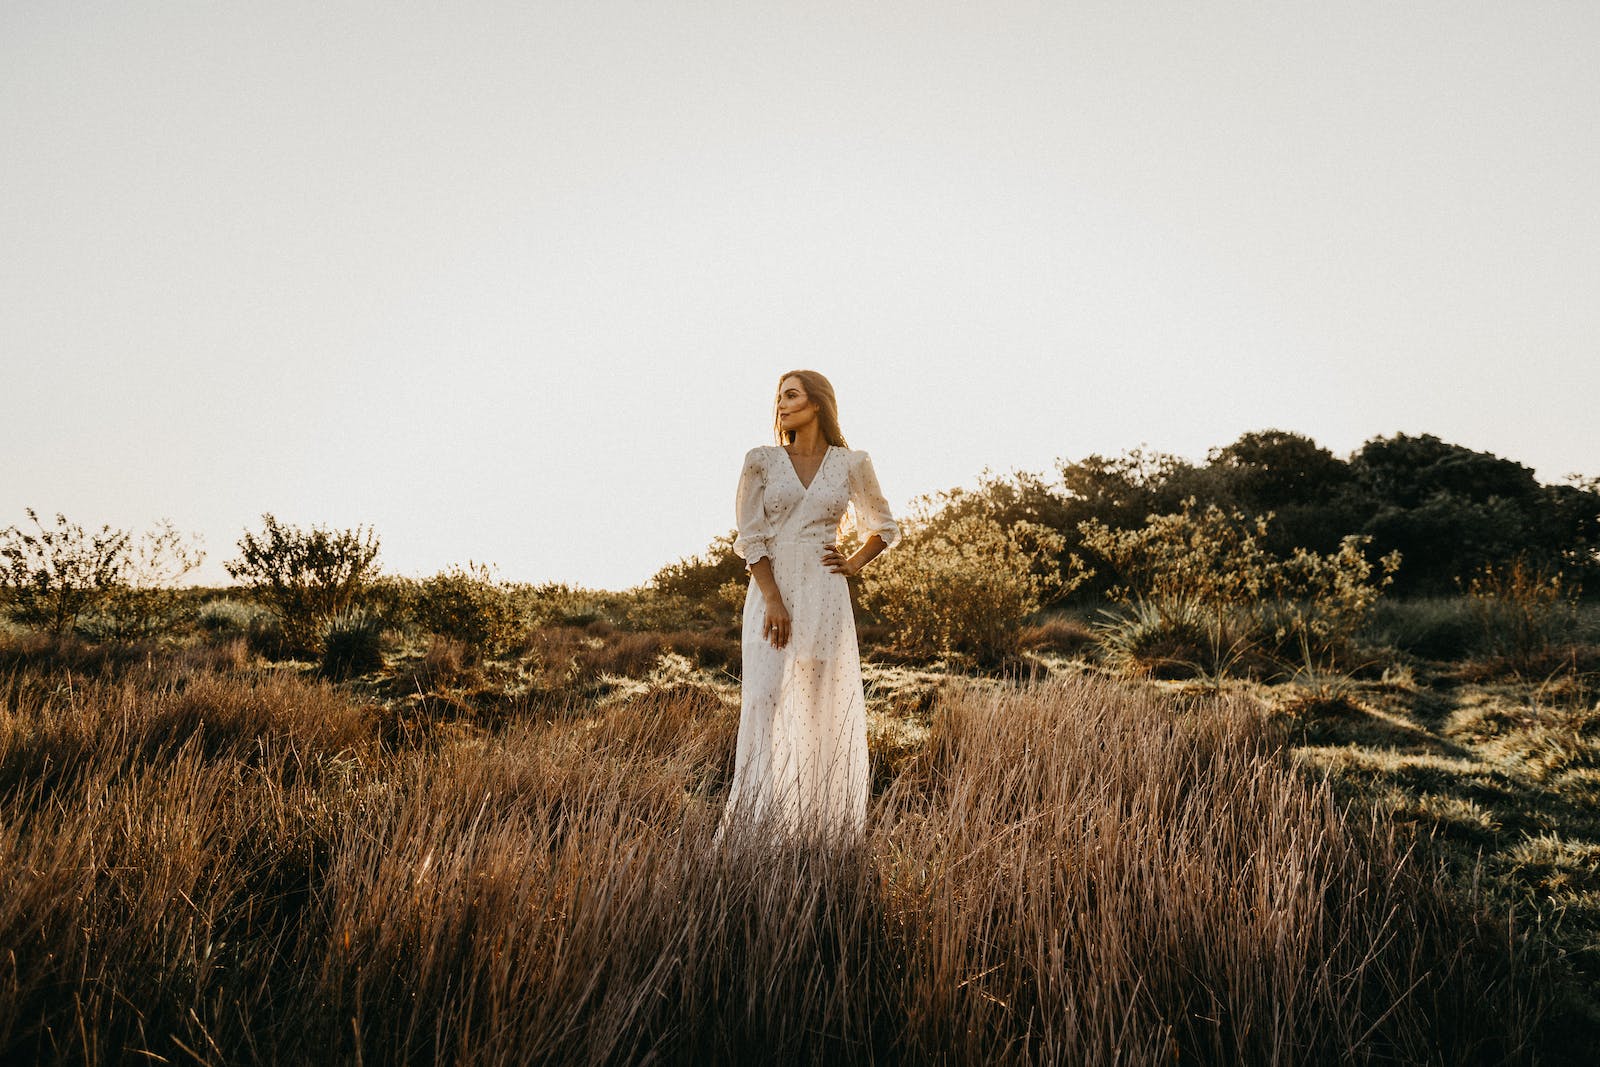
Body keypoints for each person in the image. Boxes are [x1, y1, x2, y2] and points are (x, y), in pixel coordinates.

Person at [713, 370, 900, 846]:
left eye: (791, 395)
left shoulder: (852, 463)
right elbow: (750, 537)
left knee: (818, 706)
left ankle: (817, 833)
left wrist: (853, 563)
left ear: (817, 403)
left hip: (824, 593)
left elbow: (884, 525)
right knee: (763, 699)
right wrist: (774, 600)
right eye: (778, 396)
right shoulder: (761, 461)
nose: (781, 404)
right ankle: (753, 833)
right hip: (771, 592)